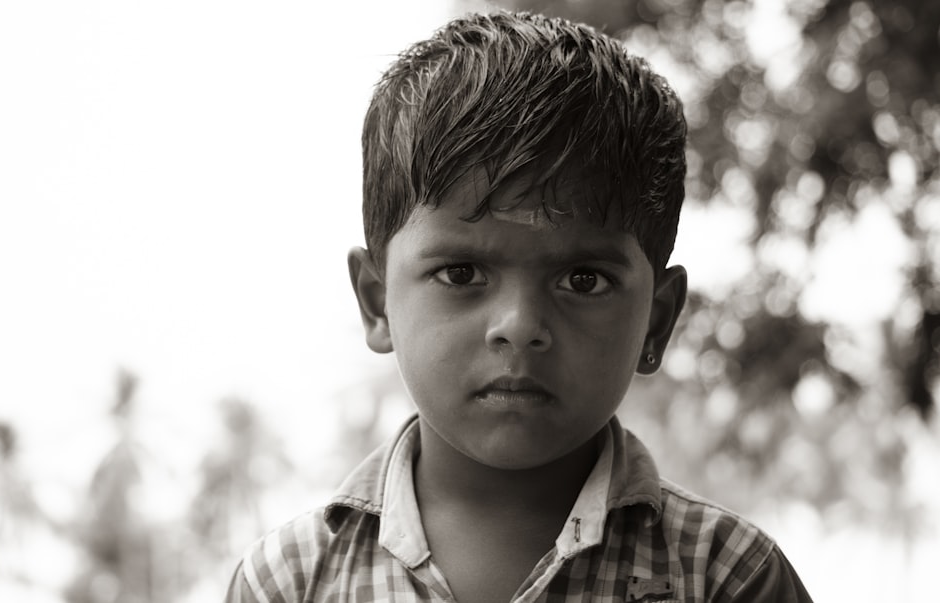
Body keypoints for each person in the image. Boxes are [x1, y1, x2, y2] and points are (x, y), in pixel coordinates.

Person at [225, 10, 813, 602]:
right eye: (461, 273)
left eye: (583, 280)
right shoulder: (290, 582)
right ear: (378, 302)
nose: (520, 327)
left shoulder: (727, 577)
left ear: (656, 321)